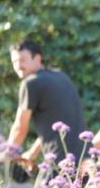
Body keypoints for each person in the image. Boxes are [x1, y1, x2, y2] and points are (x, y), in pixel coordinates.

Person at [7, 39, 88, 170]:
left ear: (37, 58)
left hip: (60, 164)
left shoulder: (30, 84)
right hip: (85, 160)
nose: (18, 66)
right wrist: (32, 153)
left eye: (22, 60)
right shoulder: (61, 77)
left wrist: (6, 155)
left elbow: (20, 128)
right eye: (14, 62)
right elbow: (57, 124)